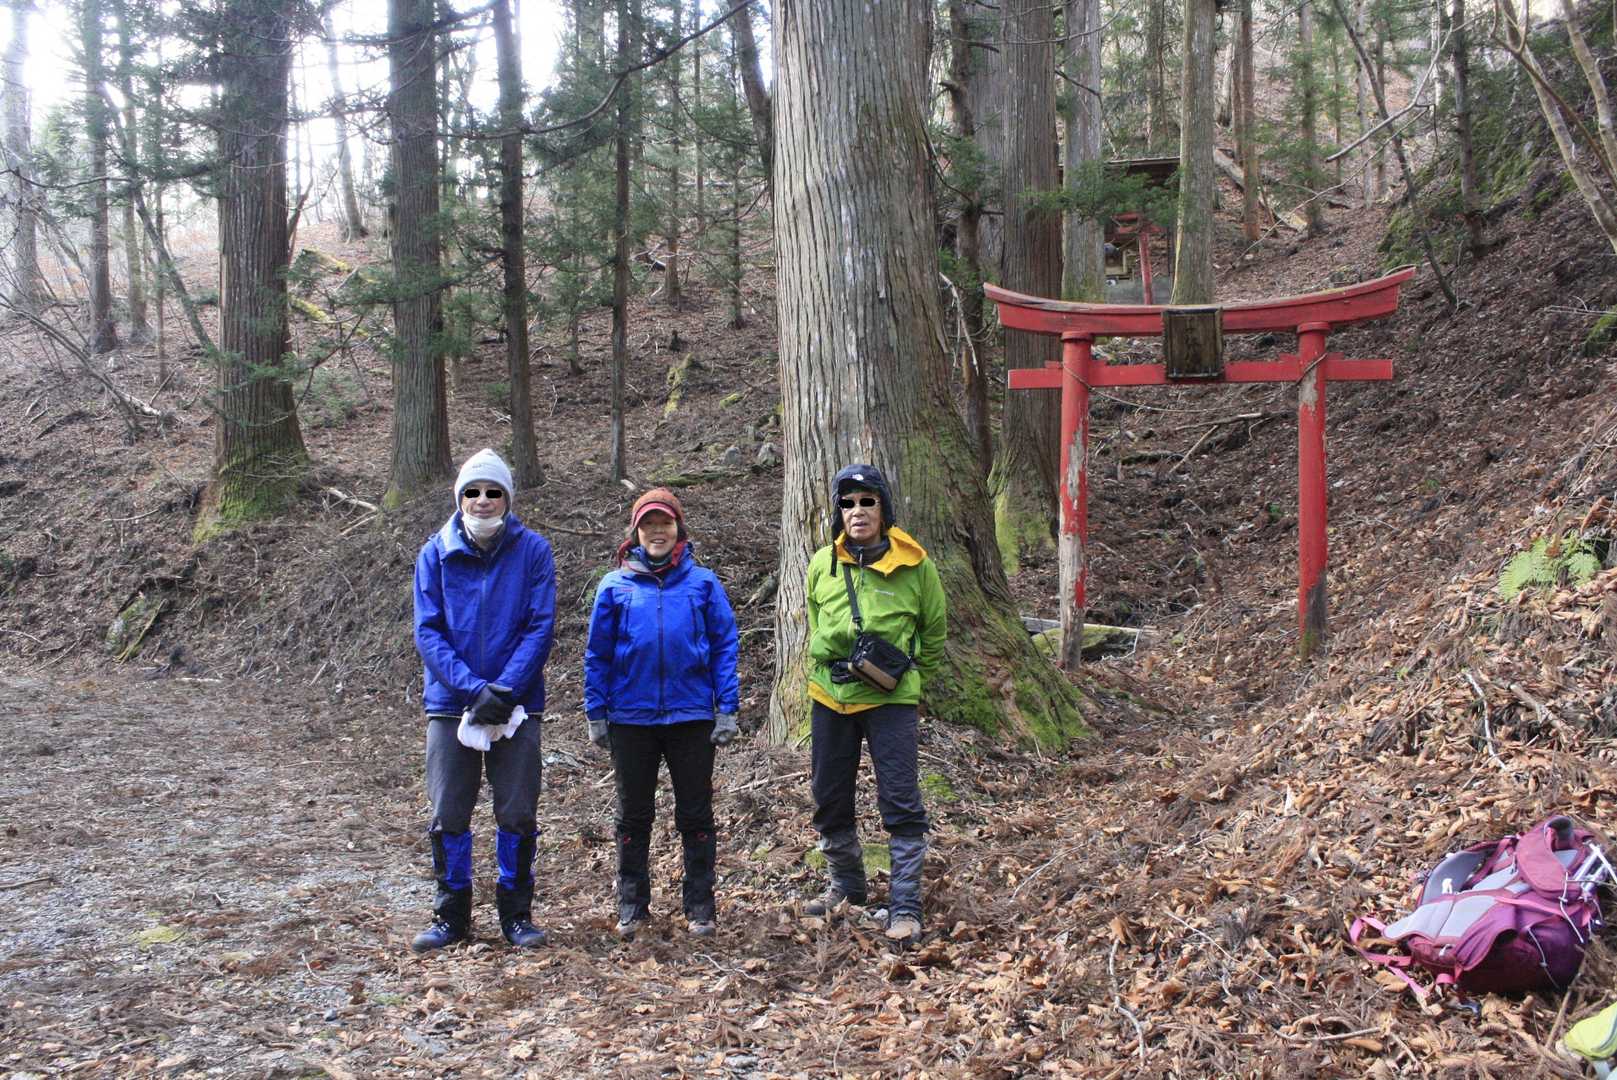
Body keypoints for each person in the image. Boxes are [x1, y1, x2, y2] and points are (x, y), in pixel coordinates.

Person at [410, 448, 556, 953]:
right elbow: (428, 632)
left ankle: (516, 915)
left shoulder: (533, 551)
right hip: (451, 704)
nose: (483, 500)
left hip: (518, 705)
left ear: (507, 497)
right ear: (460, 497)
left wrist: (506, 690)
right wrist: (473, 690)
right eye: (473, 491)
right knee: (449, 812)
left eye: (494, 491)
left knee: (516, 812)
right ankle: (450, 916)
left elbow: (540, 626)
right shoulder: (434, 553)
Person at [584, 488, 740, 939]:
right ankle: (632, 906)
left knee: (695, 814)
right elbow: (597, 654)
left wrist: (727, 708)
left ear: (678, 529)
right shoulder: (614, 586)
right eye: (648, 524)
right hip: (630, 718)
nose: (657, 531)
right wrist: (596, 711)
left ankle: (700, 907)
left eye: (665, 523)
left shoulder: (703, 583)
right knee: (633, 816)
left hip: (691, 716)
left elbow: (725, 646)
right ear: (636, 532)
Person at [803, 463, 946, 944]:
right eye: (848, 503)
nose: (857, 511)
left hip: (890, 700)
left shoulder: (916, 565)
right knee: (828, 796)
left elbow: (934, 631)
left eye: (868, 501)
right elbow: (815, 619)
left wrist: (906, 675)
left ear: (884, 508)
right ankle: (847, 887)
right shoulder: (822, 563)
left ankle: (905, 904)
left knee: (900, 799)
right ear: (838, 511)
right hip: (831, 695)